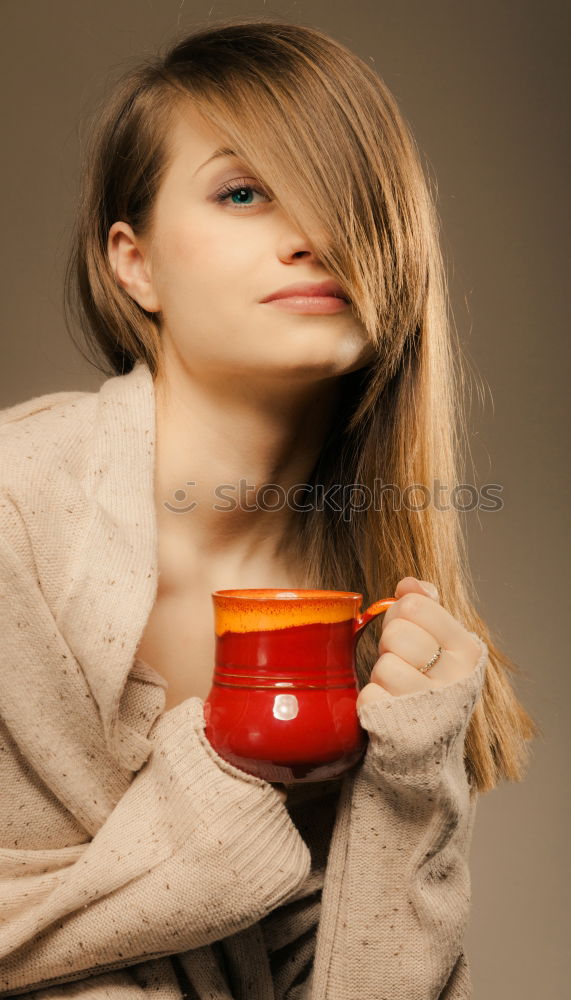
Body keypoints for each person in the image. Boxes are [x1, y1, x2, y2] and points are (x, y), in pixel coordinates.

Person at [0, 17, 538, 998]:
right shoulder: (14, 515)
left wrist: (414, 779)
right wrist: (215, 787)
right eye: (242, 192)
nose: (312, 235)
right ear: (136, 263)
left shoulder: (377, 609)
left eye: (346, 198)